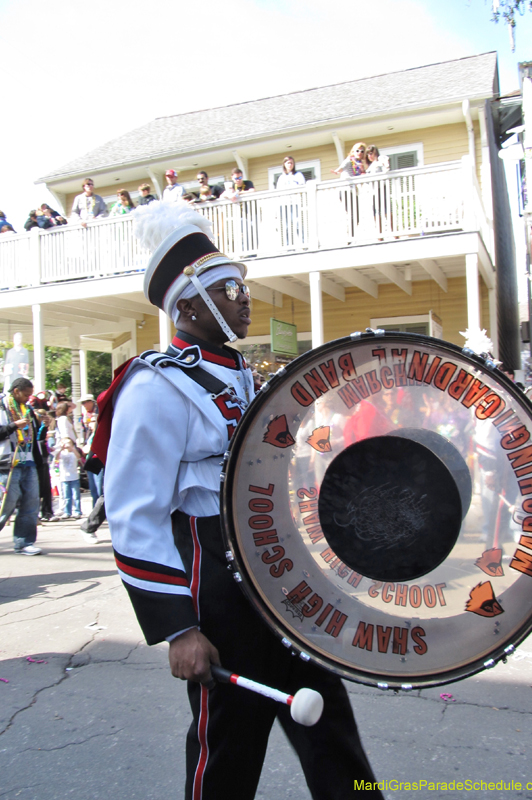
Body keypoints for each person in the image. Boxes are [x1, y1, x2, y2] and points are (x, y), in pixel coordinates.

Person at [99, 201, 383, 800]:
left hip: (287, 578)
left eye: (241, 286)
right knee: (228, 747)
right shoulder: (156, 385)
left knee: (334, 735)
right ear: (190, 302)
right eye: (228, 288)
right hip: (220, 582)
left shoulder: (248, 377)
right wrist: (178, 629)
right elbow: (133, 514)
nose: (244, 298)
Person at [0, 378, 42, 555]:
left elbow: (34, 433)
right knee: (5, 505)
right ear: (16, 391)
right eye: (26, 395)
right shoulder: (2, 406)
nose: (28, 398)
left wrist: (40, 423)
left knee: (31, 503)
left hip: (28, 461)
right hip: (8, 463)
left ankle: (24, 542)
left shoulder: (28, 409)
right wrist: (13, 426)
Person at [54, 439, 82, 519]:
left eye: (68, 443)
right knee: (66, 496)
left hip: (74, 477)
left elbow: (78, 456)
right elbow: (56, 457)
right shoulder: (62, 454)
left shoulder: (73, 453)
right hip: (64, 478)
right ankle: (67, 512)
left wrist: (72, 448)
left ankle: (77, 511)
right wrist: (61, 448)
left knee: (76, 495)